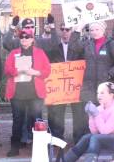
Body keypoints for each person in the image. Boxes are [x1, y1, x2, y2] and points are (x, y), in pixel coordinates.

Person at [4, 29, 51, 157]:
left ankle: (40, 147)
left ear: (32, 39)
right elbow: (7, 70)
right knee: (17, 120)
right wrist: (17, 71)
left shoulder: (40, 53)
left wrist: (34, 72)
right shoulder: (14, 53)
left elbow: (47, 70)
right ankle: (15, 147)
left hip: (35, 93)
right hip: (18, 93)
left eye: (27, 37)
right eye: (22, 37)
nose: (24, 39)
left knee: (37, 120)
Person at [64, 82, 114, 162]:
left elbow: (104, 131)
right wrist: (91, 115)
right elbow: (94, 131)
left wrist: (96, 115)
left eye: (102, 93)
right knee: (86, 137)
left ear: (111, 95)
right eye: (98, 93)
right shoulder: (100, 108)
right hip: (112, 136)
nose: (99, 95)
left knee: (96, 138)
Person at [46, 23, 86, 161]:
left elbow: (83, 56)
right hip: (59, 88)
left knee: (79, 113)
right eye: (62, 29)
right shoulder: (54, 47)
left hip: (76, 86)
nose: (64, 32)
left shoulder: (79, 45)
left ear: (72, 31)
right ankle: (57, 139)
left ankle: (79, 140)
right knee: (57, 113)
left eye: (67, 29)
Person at [77, 21, 114, 104]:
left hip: (105, 86)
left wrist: (110, 74)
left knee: (105, 114)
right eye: (92, 30)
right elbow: (73, 47)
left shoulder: (111, 44)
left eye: (97, 29)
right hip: (89, 88)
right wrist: (77, 30)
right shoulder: (87, 44)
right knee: (90, 114)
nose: (94, 32)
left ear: (103, 30)